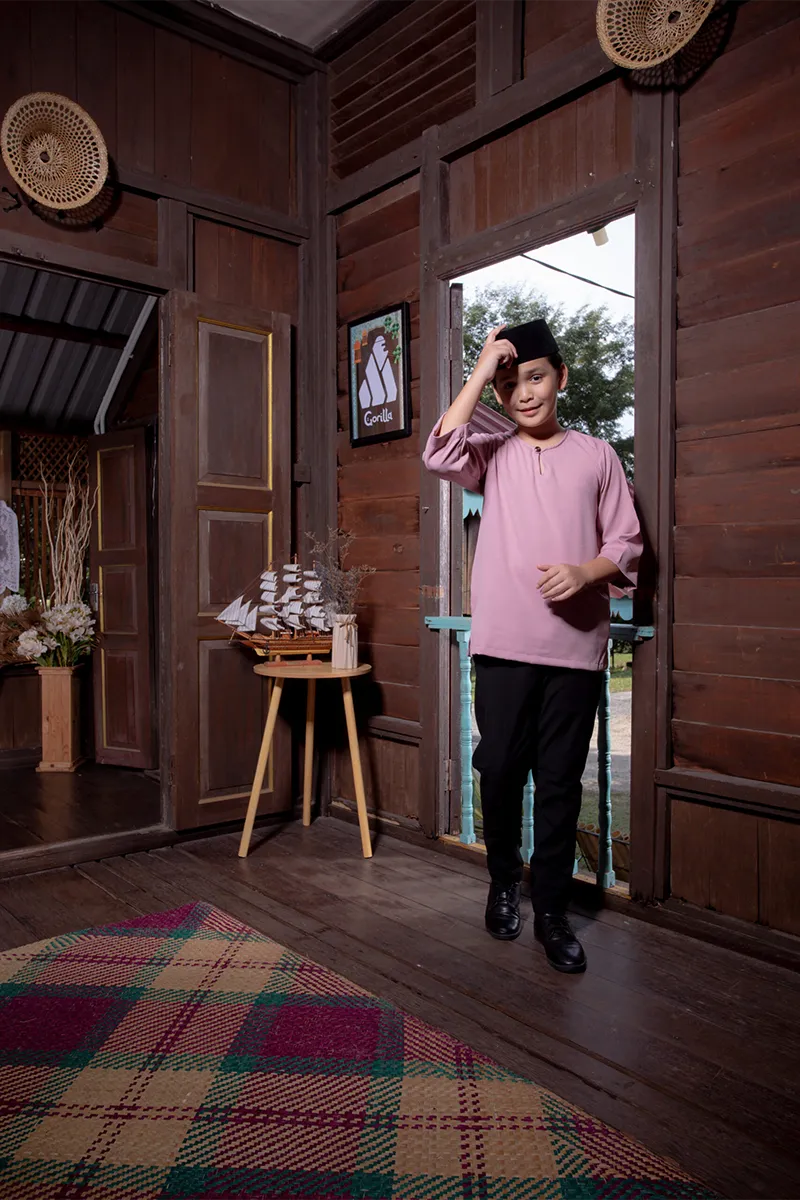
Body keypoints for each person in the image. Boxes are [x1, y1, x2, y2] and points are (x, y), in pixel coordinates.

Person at [423, 319, 641, 973]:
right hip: (502, 644)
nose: (524, 394)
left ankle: (551, 911)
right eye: (510, 384)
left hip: (574, 648)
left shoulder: (598, 456)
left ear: (561, 378)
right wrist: (482, 366)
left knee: (559, 783)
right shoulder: (490, 452)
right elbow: (439, 452)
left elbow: (626, 543)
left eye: (536, 378)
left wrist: (585, 572)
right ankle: (501, 881)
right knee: (498, 770)